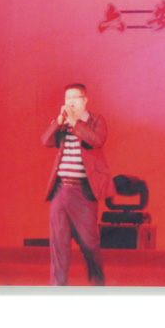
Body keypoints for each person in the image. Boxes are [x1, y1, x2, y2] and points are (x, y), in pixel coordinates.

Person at [41, 83, 116, 286]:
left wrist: (75, 122)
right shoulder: (63, 122)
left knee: (89, 244)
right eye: (67, 98)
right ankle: (57, 290)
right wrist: (59, 121)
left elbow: (96, 140)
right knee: (58, 245)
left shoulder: (96, 121)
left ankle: (97, 286)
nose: (70, 102)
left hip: (83, 192)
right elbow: (46, 140)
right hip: (60, 190)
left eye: (75, 98)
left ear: (85, 100)